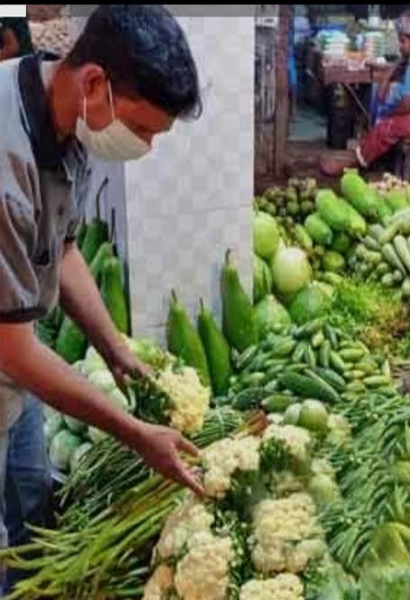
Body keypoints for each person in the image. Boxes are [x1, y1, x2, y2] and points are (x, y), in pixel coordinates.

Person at [0, 4, 204, 587]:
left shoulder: (70, 128)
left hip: (16, 367)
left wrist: (115, 350)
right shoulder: (5, 165)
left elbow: (62, 252)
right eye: (141, 129)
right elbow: (11, 349)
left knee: (33, 511)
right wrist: (136, 434)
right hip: (10, 353)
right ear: (94, 82)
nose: (143, 146)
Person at [320, 10, 410, 175]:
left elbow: (405, 106)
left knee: (387, 126)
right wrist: (390, 73)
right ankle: (365, 155)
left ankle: (354, 162)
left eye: (402, 41)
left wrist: (390, 116)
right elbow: (402, 66)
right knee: (386, 116)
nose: (399, 46)